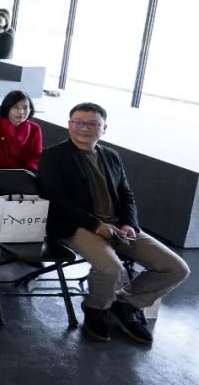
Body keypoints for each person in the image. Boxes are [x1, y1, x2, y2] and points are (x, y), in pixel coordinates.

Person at [38, 103, 189, 344]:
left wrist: (130, 223)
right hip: (76, 226)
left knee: (176, 267)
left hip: (118, 226)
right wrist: (96, 224)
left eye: (92, 124)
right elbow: (57, 199)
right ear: (69, 125)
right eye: (78, 122)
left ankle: (125, 304)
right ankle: (96, 309)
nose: (84, 128)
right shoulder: (53, 156)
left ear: (104, 128)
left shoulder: (111, 156)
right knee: (111, 268)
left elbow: (126, 194)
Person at [0, 90, 43, 171]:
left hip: (25, 175)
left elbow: (36, 156)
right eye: (15, 107)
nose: (21, 112)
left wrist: (29, 171)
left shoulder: (35, 129)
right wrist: (19, 172)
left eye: (25, 107)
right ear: (7, 108)